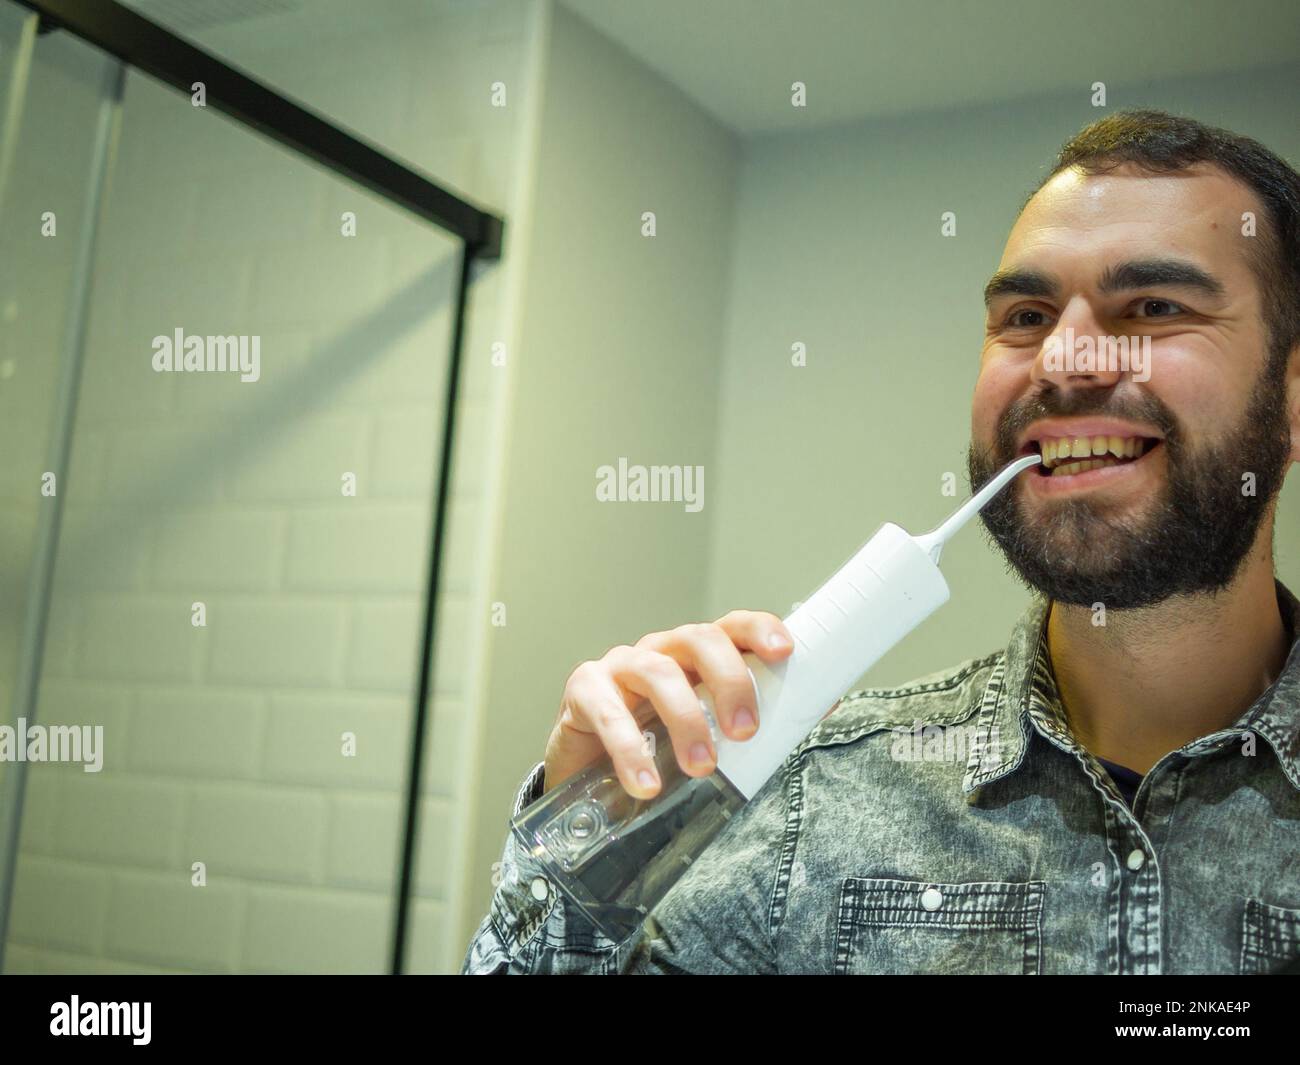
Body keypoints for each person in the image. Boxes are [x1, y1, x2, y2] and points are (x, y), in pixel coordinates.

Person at [462, 109, 1300, 974]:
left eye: (1153, 307)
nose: (1063, 361)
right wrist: (585, 858)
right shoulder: (800, 794)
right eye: (1025, 315)